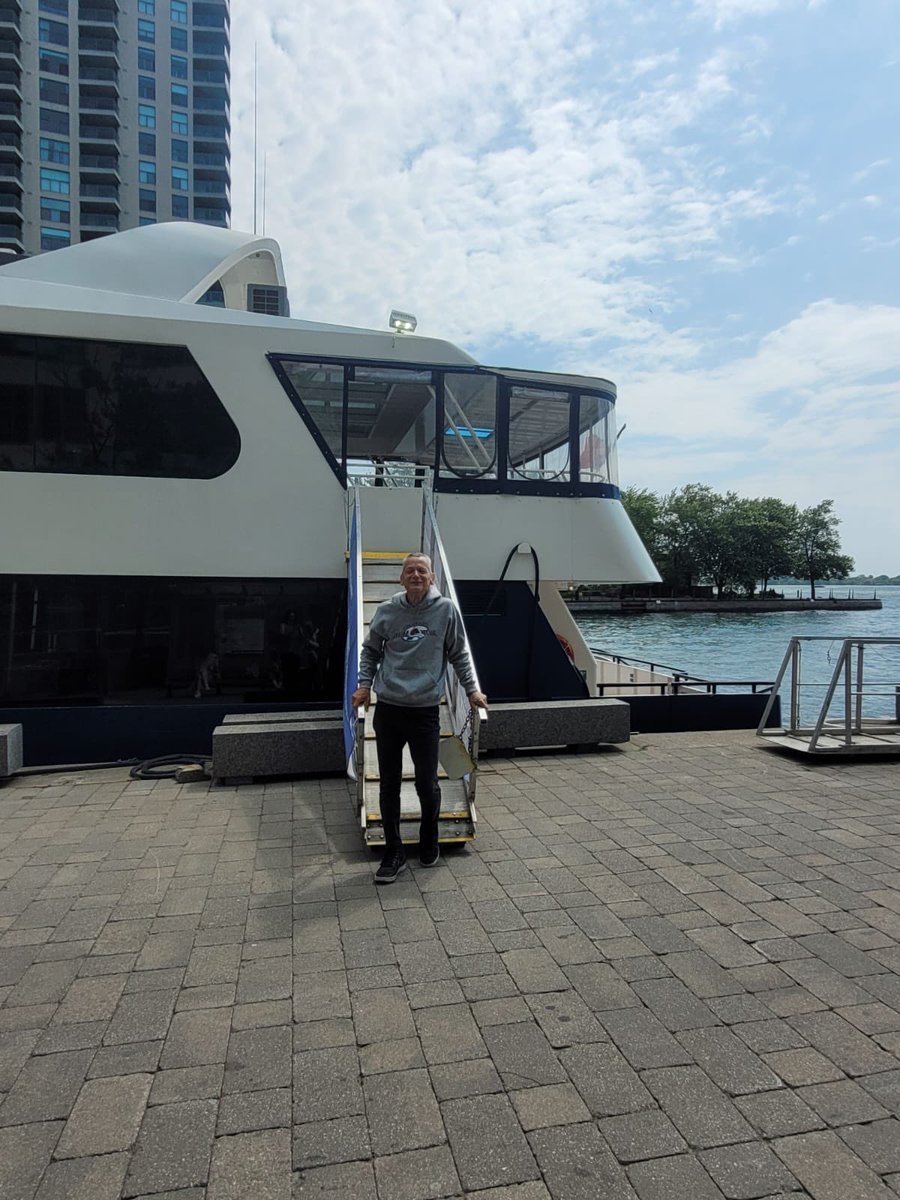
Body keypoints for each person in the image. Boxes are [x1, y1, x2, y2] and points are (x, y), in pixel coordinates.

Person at [351, 553, 488, 884]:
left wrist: (472, 691)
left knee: (427, 782)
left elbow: (458, 654)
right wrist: (364, 685)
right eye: (410, 571)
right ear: (401, 578)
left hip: (425, 711)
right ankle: (394, 851)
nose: (416, 575)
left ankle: (430, 836)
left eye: (422, 571)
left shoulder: (445, 611)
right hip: (389, 710)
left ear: (432, 578)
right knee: (389, 783)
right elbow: (370, 652)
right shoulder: (387, 611)